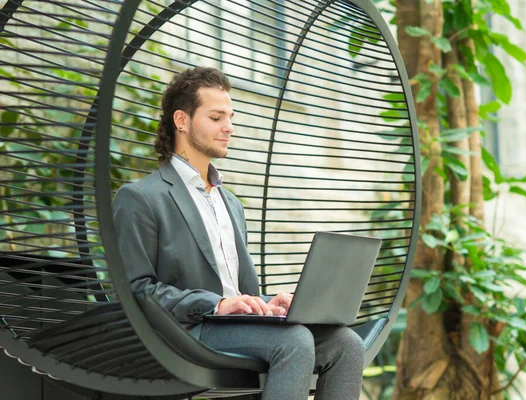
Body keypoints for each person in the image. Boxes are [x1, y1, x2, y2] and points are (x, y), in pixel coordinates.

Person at [112, 66, 365, 400]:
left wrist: (266, 304)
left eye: (230, 117)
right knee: (294, 341)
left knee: (347, 343)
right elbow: (136, 291)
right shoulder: (141, 198)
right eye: (216, 118)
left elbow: (237, 293)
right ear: (182, 121)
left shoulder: (231, 203)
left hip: (235, 329)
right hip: (185, 331)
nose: (228, 127)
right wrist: (217, 304)